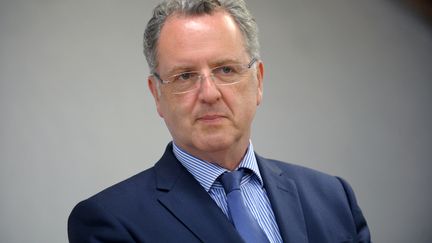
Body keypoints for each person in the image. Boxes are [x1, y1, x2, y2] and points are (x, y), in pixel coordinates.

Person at [68, 0, 371, 242]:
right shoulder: (110, 222)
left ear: (259, 82)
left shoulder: (333, 198)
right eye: (185, 75)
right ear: (157, 95)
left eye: (226, 69)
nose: (209, 93)